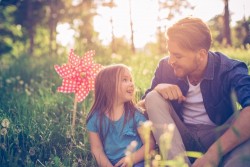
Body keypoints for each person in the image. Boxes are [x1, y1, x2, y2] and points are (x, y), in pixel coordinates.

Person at [139, 17, 250, 167]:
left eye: (178, 55)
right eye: (170, 53)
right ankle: (178, 164)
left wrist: (212, 154)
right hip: (181, 139)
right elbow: (142, 107)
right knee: (153, 97)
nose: (171, 60)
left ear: (201, 55)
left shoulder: (229, 69)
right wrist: (158, 89)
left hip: (221, 139)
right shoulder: (166, 67)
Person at [86, 64, 155, 167]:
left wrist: (131, 159)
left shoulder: (135, 115)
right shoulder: (95, 118)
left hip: (137, 161)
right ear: (108, 86)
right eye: (124, 80)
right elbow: (97, 149)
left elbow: (149, 144)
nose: (131, 84)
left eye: (131, 80)